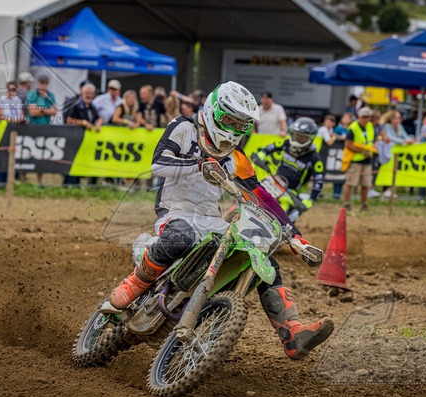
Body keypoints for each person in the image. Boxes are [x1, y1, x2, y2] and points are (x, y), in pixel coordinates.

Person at [106, 81, 334, 360]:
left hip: (211, 219)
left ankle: (292, 331)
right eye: (229, 121)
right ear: (213, 111)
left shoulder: (236, 157)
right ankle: (135, 283)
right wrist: (198, 164)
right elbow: (158, 164)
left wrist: (295, 236)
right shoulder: (184, 127)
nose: (233, 130)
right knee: (181, 236)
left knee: (262, 260)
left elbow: (261, 194)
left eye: (241, 126)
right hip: (175, 211)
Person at [258, 117, 325, 222]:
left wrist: (311, 199)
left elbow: (319, 180)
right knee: (255, 190)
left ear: (311, 138)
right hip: (274, 181)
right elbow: (272, 146)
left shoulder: (314, 158)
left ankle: (279, 227)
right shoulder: (287, 143)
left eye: (301, 137)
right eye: (296, 135)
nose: (297, 139)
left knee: (281, 214)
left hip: (291, 192)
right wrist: (262, 153)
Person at [64, 83, 104, 187]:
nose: (89, 95)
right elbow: (69, 120)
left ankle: (77, 187)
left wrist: (99, 122)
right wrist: (83, 122)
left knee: (81, 164)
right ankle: (69, 186)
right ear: (82, 93)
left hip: (85, 142)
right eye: (87, 93)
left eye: (91, 93)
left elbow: (98, 118)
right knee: (72, 164)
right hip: (73, 140)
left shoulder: (92, 107)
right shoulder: (75, 104)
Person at [27, 75, 57, 187]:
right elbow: (32, 112)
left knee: (41, 155)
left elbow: (55, 111)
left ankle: (39, 180)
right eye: (42, 82)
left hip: (45, 128)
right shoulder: (32, 94)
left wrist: (41, 109)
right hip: (32, 127)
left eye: (46, 82)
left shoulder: (50, 95)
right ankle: (23, 178)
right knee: (28, 154)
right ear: (38, 83)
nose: (44, 85)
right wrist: (46, 110)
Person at [343, 107, 375, 212]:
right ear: (359, 117)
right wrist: (361, 152)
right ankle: (346, 204)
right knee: (350, 183)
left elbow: (372, 140)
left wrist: (371, 149)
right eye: (364, 117)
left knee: (366, 184)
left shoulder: (370, 126)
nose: (366, 119)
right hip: (355, 160)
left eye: (368, 117)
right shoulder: (353, 128)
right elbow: (348, 144)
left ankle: (364, 205)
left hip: (367, 160)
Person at [379, 110, 414, 199]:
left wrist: (411, 139)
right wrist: (404, 141)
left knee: (395, 171)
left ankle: (390, 190)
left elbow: (405, 136)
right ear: (391, 118)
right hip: (388, 152)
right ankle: (386, 190)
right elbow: (390, 138)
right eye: (397, 118)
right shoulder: (386, 126)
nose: (400, 119)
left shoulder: (399, 127)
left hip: (398, 154)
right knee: (388, 171)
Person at [331, 113, 353, 199]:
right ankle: (335, 194)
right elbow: (333, 135)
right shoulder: (338, 128)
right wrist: (341, 137)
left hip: (346, 155)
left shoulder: (351, 129)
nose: (346, 120)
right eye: (344, 118)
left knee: (344, 175)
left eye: (347, 118)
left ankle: (341, 194)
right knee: (337, 173)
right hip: (337, 154)